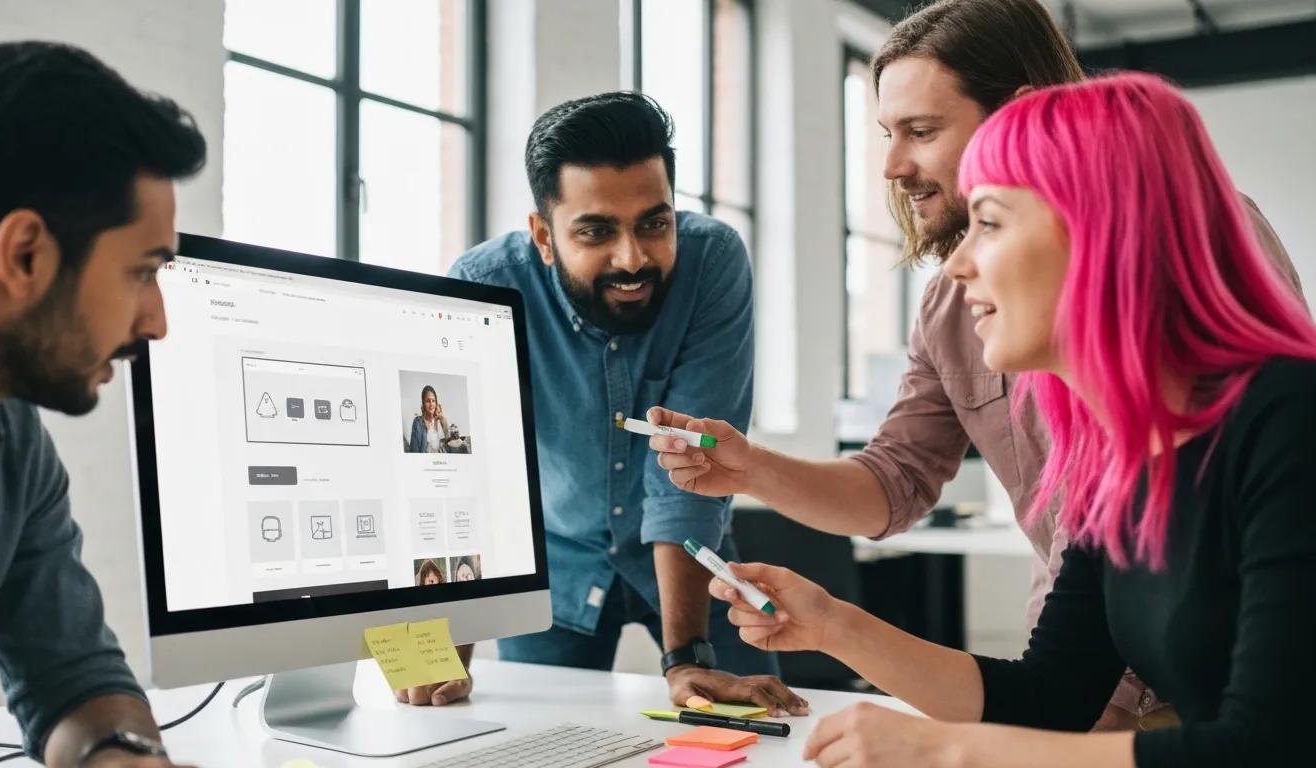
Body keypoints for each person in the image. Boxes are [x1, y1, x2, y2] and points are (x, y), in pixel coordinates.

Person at [649, 0, 1302, 731]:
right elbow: (1048, 688)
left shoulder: (1274, 415)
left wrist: (954, 750)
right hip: (1101, 683)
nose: (894, 166)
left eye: (922, 131)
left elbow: (1259, 736)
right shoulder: (1097, 451)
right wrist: (827, 613)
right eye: (888, 133)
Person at [390, 91, 808, 716]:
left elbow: (689, 473)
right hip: (556, 563)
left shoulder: (713, 262)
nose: (632, 258)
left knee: (760, 729)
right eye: (596, 231)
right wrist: (439, 638)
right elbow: (457, 473)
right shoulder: (481, 286)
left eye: (653, 223)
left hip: (696, 553)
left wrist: (686, 657)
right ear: (544, 236)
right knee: (538, 741)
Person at [0, 42, 205, 766]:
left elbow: (72, 679)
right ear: (25, 256)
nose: (157, 321)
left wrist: (118, 755)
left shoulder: (11, 445)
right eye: (142, 272)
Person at [409, 384, 449, 453]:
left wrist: (443, 420)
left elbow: (450, 443)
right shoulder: (418, 422)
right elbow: (414, 450)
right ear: (423, 404)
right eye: (428, 401)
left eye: (433, 401)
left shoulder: (440, 421)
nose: (431, 404)